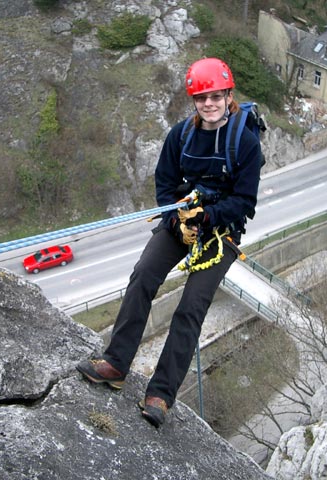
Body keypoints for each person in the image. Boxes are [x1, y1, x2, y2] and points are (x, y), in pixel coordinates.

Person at [76, 57, 262, 427]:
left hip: (220, 230)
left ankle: (161, 393)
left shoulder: (245, 143)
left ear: (228, 95)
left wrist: (206, 217)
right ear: (193, 100)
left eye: (214, 96)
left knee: (192, 305)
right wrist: (175, 221)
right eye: (200, 98)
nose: (208, 104)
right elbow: (165, 184)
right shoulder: (181, 135)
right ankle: (115, 363)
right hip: (181, 221)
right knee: (144, 274)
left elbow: (244, 202)